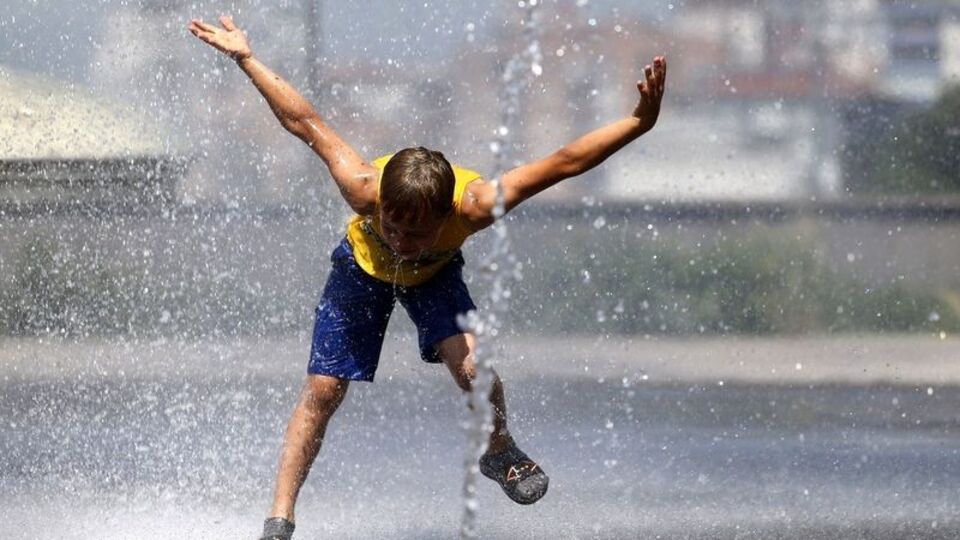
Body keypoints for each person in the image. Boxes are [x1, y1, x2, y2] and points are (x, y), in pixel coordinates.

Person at [188, 15, 666, 540]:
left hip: (435, 277)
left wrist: (637, 124)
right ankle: (280, 518)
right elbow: (303, 120)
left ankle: (499, 448)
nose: (400, 239)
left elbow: (564, 162)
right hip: (359, 271)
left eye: (415, 232)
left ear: (446, 215)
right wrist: (246, 57)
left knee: (473, 370)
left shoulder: (477, 205)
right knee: (324, 389)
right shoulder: (363, 186)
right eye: (392, 225)